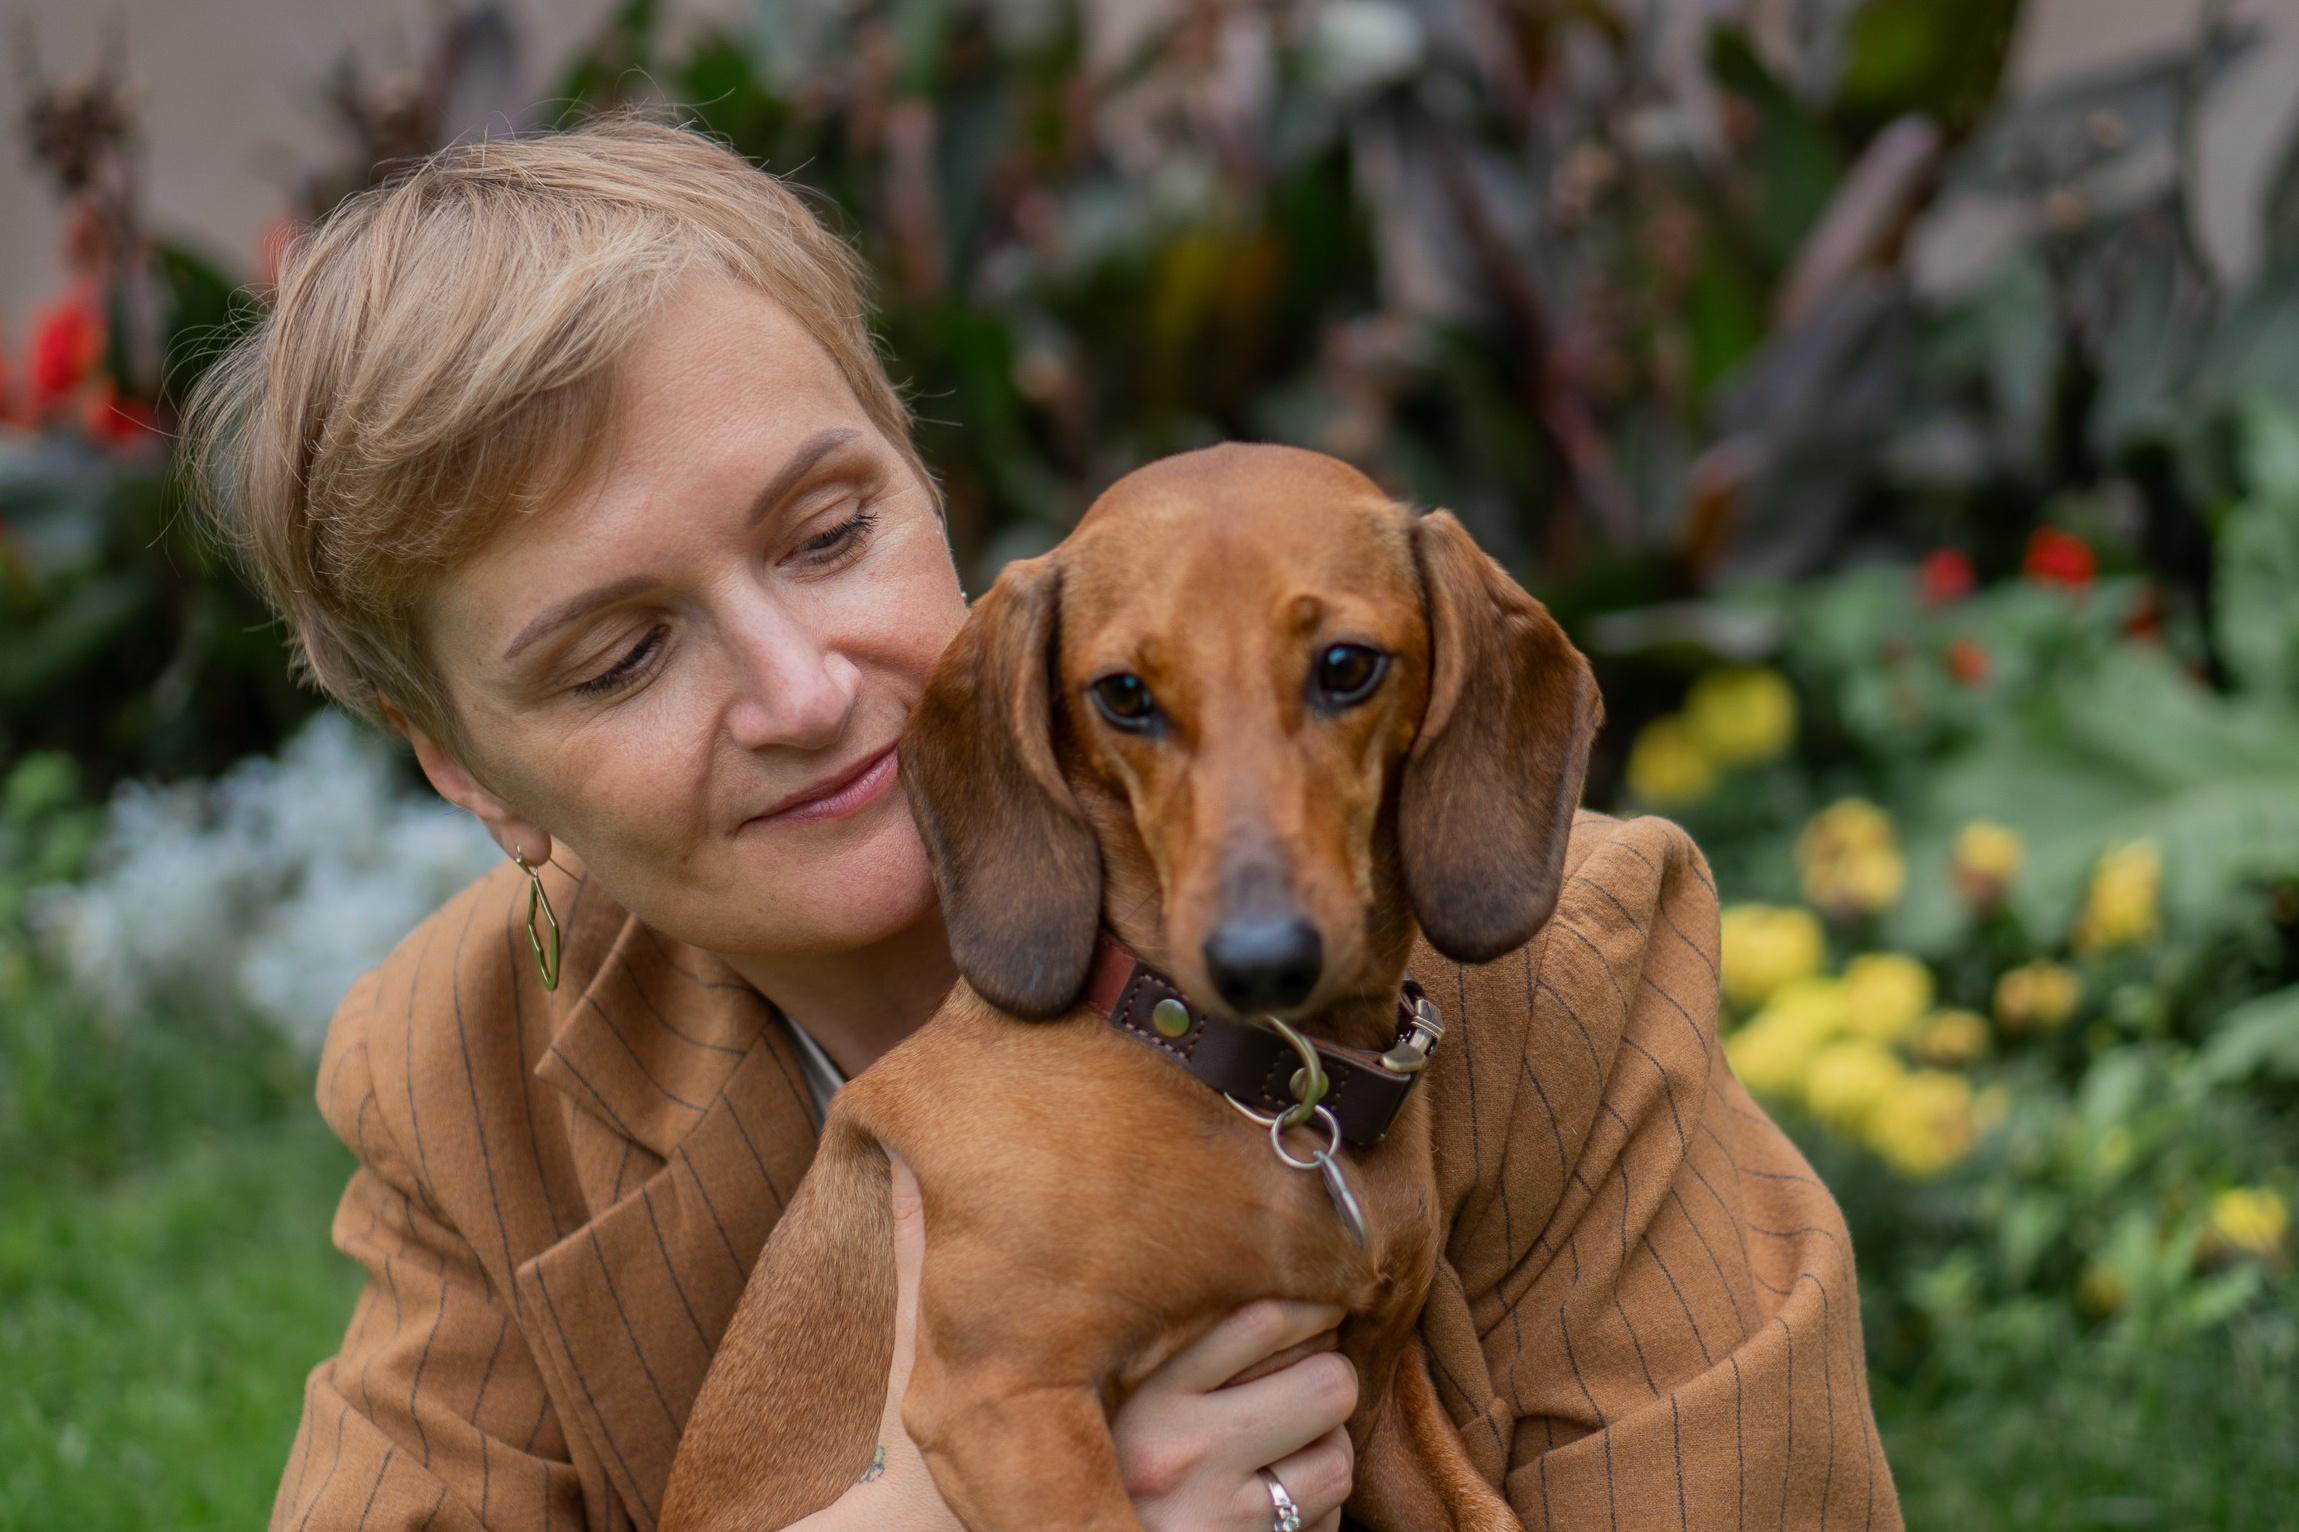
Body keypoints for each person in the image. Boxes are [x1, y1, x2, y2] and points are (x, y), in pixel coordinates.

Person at [188, 121, 1899, 1532]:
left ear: (924, 480)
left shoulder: (1546, 968)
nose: (800, 689)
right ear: (464, 767)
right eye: (624, 653)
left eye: (826, 532)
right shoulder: (464, 1076)